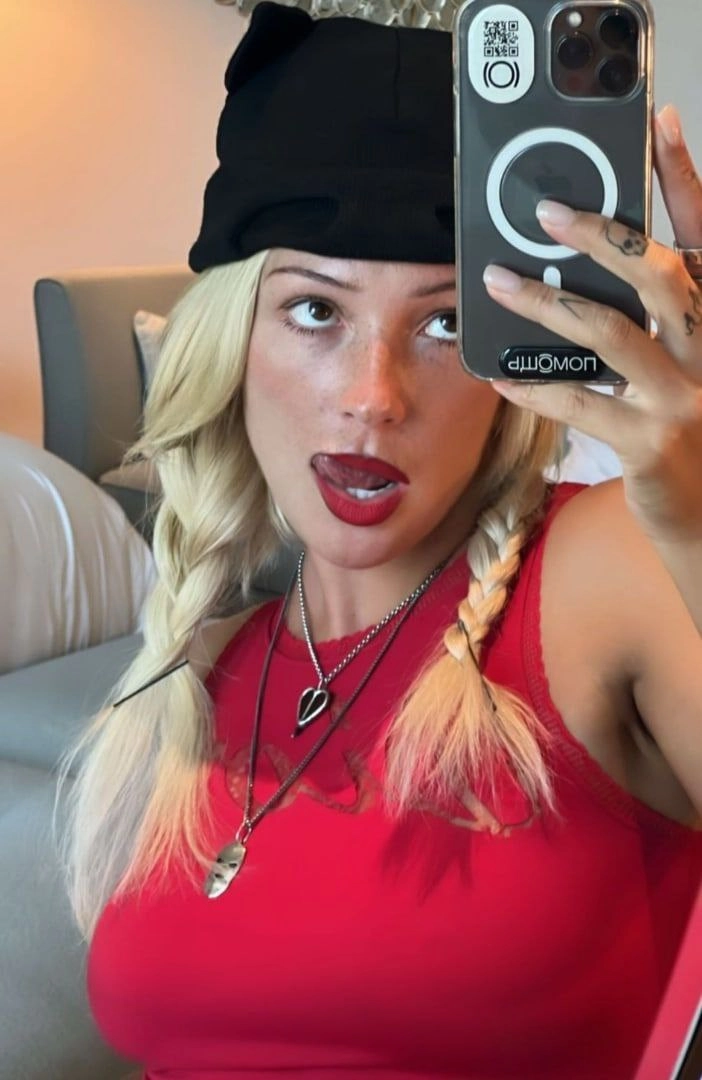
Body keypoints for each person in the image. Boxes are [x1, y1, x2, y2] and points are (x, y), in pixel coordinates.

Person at [54, 5, 702, 1078]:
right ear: (231, 342)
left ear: (508, 371)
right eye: (316, 311)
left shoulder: (606, 572)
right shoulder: (200, 671)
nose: (373, 397)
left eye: (447, 323)